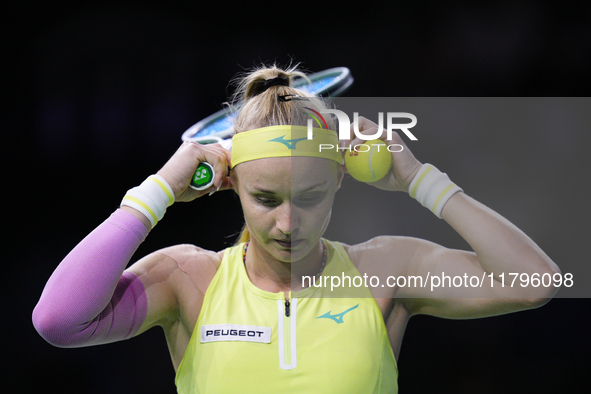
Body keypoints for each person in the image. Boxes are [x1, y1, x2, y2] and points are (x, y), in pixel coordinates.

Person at [32, 64, 561, 393]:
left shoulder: (384, 271)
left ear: (339, 178)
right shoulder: (188, 279)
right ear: (230, 183)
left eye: (309, 198)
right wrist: (158, 191)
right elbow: (58, 320)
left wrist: (422, 180)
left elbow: (534, 283)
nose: (288, 223)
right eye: (265, 198)